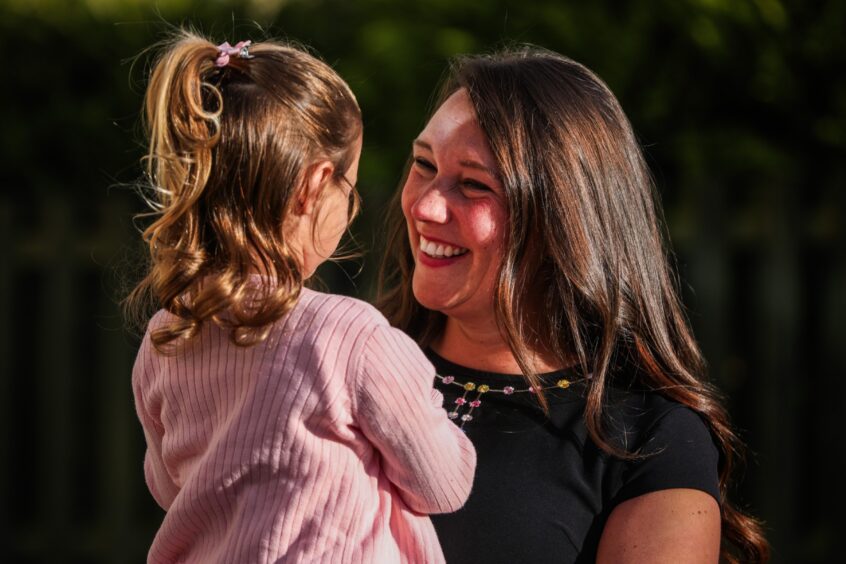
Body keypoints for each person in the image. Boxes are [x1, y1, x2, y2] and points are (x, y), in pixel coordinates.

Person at [378, 47, 769, 563]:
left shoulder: (649, 441)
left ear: (563, 219)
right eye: (423, 163)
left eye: (474, 185)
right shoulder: (338, 361)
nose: (425, 206)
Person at [126, 30, 475, 564]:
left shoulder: (164, 338)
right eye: (350, 188)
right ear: (315, 186)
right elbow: (442, 485)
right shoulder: (349, 336)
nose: (353, 207)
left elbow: (172, 488)